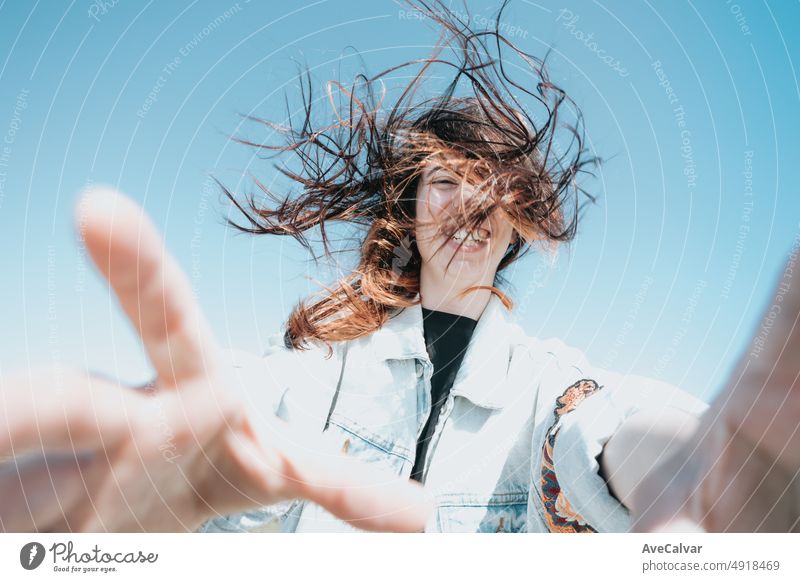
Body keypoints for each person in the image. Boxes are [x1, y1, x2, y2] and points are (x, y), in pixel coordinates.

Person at [1, 1, 798, 533]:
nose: (468, 204)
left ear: (514, 226)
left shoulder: (543, 382)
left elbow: (603, 428)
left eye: (493, 187)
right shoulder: (319, 375)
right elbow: (235, 421)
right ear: (409, 211)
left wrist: (700, 464)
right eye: (445, 179)